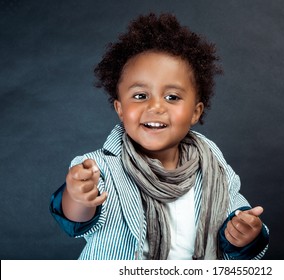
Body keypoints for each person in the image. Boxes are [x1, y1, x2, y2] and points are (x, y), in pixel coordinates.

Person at [50, 13, 269, 260]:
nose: (155, 107)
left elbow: (236, 215)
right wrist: (78, 196)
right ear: (120, 108)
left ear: (196, 112)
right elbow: (76, 219)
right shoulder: (100, 167)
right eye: (140, 96)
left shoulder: (213, 166)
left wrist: (245, 233)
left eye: (172, 97)